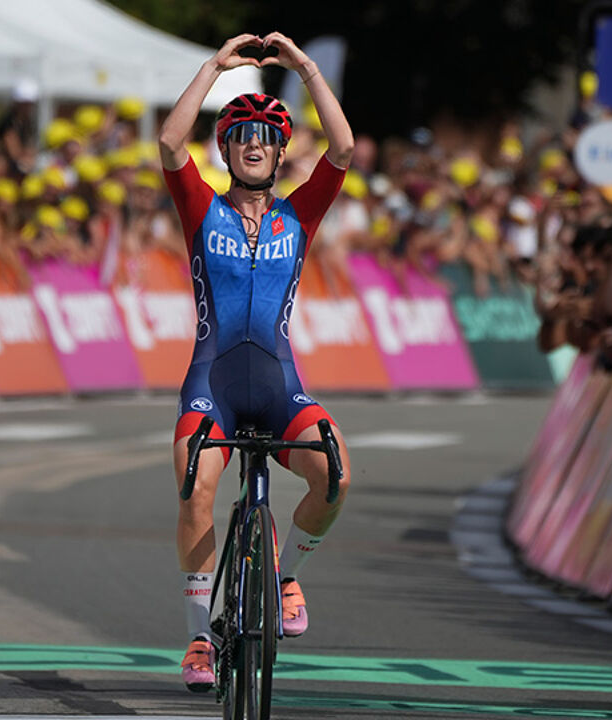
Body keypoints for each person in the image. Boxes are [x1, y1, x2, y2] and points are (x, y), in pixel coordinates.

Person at [158, 31, 354, 693]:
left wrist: (302, 67)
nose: (254, 144)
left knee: (335, 473)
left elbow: (346, 149)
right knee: (195, 483)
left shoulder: (300, 214)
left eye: (265, 137)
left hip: (277, 386)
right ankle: (197, 639)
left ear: (277, 152)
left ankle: (287, 572)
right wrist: (215, 68)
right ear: (227, 148)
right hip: (212, 382)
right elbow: (166, 144)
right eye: (241, 134)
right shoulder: (200, 208)